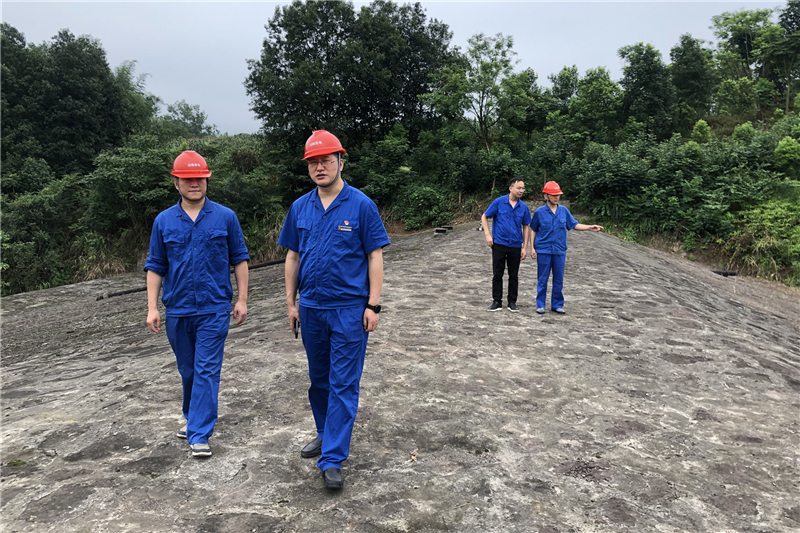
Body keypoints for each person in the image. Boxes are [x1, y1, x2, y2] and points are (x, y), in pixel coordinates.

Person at [278, 130, 390, 490]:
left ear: (341, 161)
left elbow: (375, 256)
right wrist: (291, 303)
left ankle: (332, 458)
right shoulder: (300, 207)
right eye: (313, 162)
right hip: (311, 308)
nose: (320, 167)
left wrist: (373, 304)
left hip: (349, 310)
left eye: (326, 160)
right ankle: (326, 433)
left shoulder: (361, 205)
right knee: (319, 380)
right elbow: (292, 257)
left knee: (344, 383)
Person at [144, 150, 250, 458]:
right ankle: (192, 416)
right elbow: (155, 266)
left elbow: (240, 259)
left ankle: (200, 434)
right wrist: (152, 307)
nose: (195, 184)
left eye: (200, 178)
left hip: (214, 309)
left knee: (206, 370)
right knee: (188, 370)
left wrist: (242, 299)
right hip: (178, 310)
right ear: (176, 182)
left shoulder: (225, 217)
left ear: (207, 180)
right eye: (188, 179)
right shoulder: (163, 221)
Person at [528, 181, 603, 314]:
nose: (556, 197)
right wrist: (532, 248)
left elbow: (574, 225)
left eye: (558, 195)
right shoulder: (539, 212)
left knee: (558, 279)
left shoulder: (564, 211)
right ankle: (540, 305)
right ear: (546, 196)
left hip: (559, 250)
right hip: (544, 250)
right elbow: (533, 229)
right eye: (553, 195)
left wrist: (590, 227)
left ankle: (557, 305)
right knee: (542, 279)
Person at [481, 177, 532, 312]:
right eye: (519, 188)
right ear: (511, 188)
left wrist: (525, 247)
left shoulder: (523, 207)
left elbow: (526, 226)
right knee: (497, 274)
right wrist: (488, 235)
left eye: (523, 188)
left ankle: (512, 302)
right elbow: (485, 216)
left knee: (514, 275)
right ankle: (497, 301)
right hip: (499, 244)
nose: (521, 190)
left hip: (515, 245)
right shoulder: (499, 202)